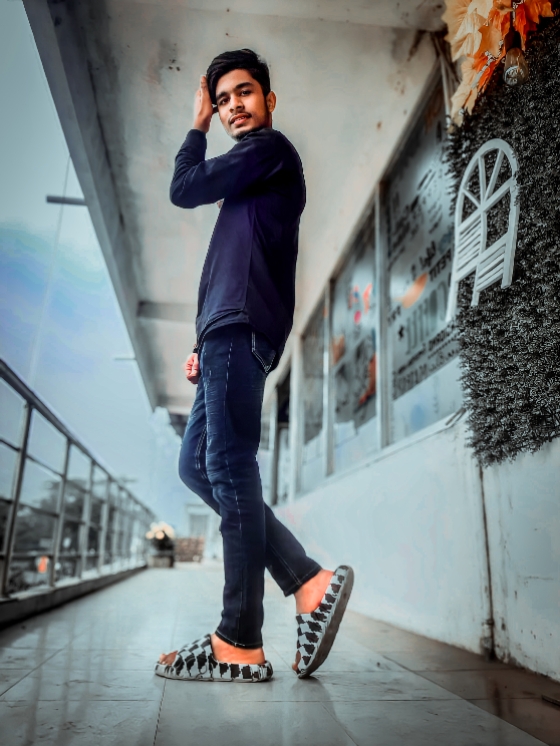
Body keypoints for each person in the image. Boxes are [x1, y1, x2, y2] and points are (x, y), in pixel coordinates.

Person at [155, 49, 353, 683]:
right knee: (197, 466)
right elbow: (228, 263)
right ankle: (307, 581)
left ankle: (239, 638)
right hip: (224, 332)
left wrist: (195, 125)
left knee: (229, 465)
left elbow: (184, 187)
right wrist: (201, 337)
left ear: (269, 100)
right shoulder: (249, 182)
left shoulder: (269, 149)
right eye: (220, 101)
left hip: (240, 329)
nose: (231, 106)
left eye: (243, 92)